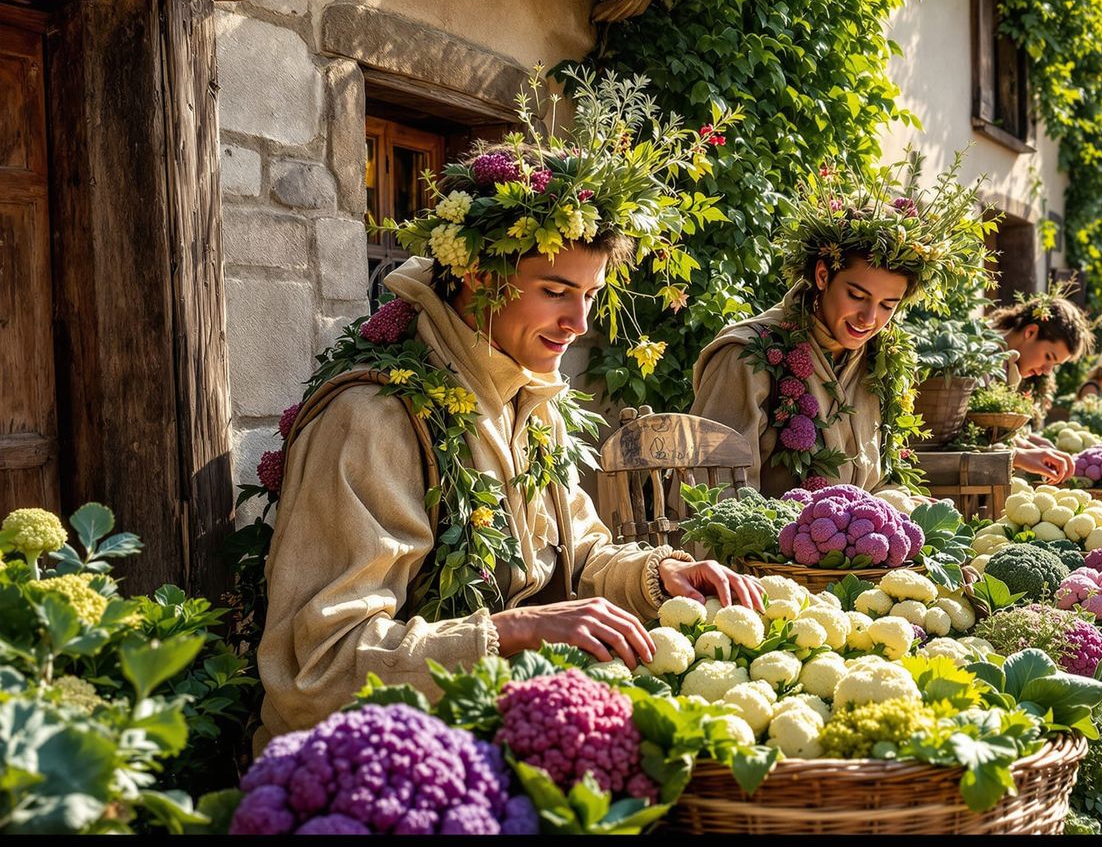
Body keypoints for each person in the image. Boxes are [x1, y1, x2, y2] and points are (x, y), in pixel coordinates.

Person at [255, 71, 760, 748]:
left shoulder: (532, 398)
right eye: (555, 290)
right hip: (389, 770)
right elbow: (319, 669)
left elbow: (576, 556)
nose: (579, 321)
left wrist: (656, 575)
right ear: (479, 274)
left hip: (511, 732)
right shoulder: (373, 418)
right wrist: (514, 632)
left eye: (590, 294)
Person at [692, 155, 994, 494]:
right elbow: (714, 497)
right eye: (856, 295)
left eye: (887, 306)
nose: (869, 319)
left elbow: (881, 478)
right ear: (823, 275)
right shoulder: (745, 356)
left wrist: (896, 512)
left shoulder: (880, 361)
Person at [989, 288, 1095, 481]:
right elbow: (962, 439)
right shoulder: (980, 357)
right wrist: (1019, 455)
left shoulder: (1009, 362)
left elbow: (989, 433)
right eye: (1048, 357)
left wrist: (1028, 443)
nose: (1047, 371)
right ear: (1030, 332)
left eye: (1054, 365)